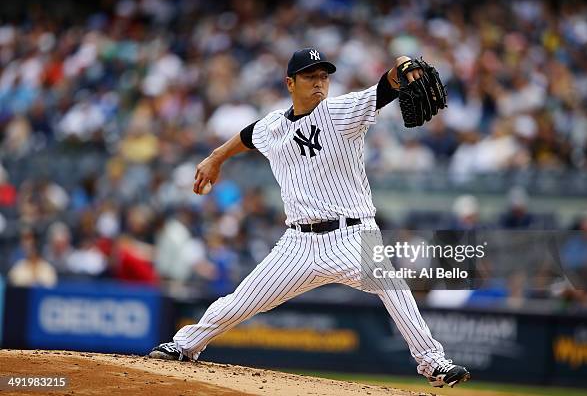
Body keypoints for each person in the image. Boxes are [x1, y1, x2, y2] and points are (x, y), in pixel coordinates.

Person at [150, 48, 470, 388]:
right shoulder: (273, 126)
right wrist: (216, 157)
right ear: (290, 82)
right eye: (310, 76)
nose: (319, 83)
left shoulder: (339, 111)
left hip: (351, 235)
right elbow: (249, 134)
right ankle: (186, 345)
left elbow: (383, 89)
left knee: (391, 284)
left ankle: (433, 363)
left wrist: (399, 69)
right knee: (240, 302)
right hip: (298, 244)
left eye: (323, 76)